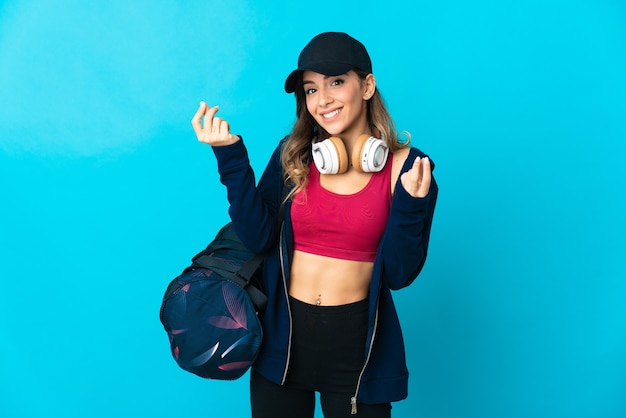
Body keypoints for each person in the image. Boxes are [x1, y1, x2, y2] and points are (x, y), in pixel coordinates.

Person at [191, 32, 438, 418]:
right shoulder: (294, 156)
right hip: (282, 343)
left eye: (336, 82)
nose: (322, 100)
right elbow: (257, 236)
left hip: (357, 353)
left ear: (367, 85)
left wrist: (410, 206)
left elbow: (399, 274)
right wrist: (230, 157)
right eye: (310, 89)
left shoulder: (407, 168)